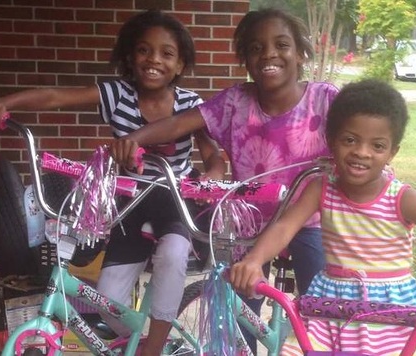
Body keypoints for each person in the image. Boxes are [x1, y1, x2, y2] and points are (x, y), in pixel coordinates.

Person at [0, 9, 226, 356]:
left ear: (180, 65)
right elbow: (56, 97)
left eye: (166, 53)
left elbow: (213, 154)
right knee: (107, 297)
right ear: (129, 56)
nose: (153, 59)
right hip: (129, 201)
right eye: (144, 50)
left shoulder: (189, 104)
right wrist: (5, 104)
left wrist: (213, 175)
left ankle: (153, 350)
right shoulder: (118, 95)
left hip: (174, 199)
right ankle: (152, 340)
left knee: (173, 254)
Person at [229, 79, 416, 355]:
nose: (362, 153)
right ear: (331, 140)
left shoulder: (402, 198)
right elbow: (284, 227)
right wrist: (254, 260)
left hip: (392, 316)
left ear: (392, 152)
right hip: (329, 309)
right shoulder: (321, 188)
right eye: (350, 140)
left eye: (377, 145)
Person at [109, 8, 339, 352]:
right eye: (256, 48)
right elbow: (179, 123)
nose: (269, 54)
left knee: (320, 307)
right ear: (244, 58)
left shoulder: (326, 99)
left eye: (281, 45)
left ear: (301, 53)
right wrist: (136, 139)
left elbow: (359, 141)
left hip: (309, 220)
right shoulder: (236, 102)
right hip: (250, 223)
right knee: (241, 309)